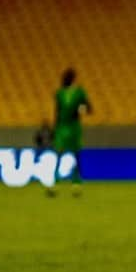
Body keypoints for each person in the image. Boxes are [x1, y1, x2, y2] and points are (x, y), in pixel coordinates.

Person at [50, 68, 92, 196]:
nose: (66, 79)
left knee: (75, 155)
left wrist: (81, 110)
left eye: (68, 77)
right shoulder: (59, 93)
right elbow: (56, 111)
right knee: (59, 154)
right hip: (62, 127)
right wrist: (54, 127)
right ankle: (55, 184)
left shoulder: (80, 92)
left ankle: (76, 184)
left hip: (74, 127)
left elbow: (89, 108)